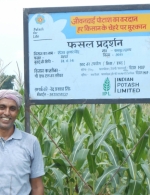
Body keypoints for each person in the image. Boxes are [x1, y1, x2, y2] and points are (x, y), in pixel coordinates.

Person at [0, 89, 45, 195]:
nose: (6, 113)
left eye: (12, 108)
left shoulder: (31, 142)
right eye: (2, 107)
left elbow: (37, 186)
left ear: (18, 112)